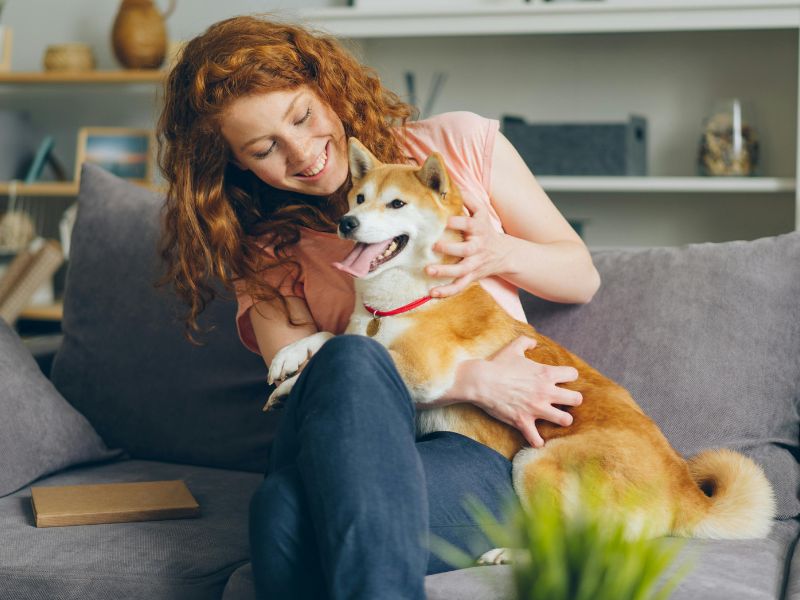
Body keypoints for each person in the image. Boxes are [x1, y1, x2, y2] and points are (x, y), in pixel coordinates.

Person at [157, 15, 600, 600]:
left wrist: (497, 252)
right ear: (237, 163)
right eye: (265, 148)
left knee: (283, 515)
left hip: (472, 448)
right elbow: (306, 380)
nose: (304, 153)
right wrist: (470, 380)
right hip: (342, 435)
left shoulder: (454, 145)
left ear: (328, 90)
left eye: (303, 116)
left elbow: (580, 276)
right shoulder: (265, 247)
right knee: (347, 360)